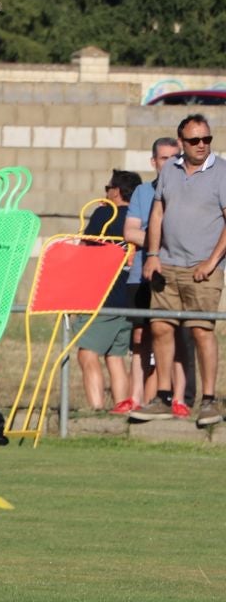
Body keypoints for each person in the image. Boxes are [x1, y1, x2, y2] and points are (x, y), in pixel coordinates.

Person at [141, 112, 226, 426]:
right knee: (161, 327)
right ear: (181, 142)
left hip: (202, 269)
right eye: (194, 140)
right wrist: (152, 254)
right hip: (167, 265)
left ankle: (209, 401)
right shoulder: (170, 172)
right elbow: (158, 212)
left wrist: (212, 261)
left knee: (202, 331)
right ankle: (164, 397)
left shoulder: (222, 173)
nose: (202, 145)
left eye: (207, 139)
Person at [75, 170, 143, 412]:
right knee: (114, 357)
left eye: (108, 188)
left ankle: (97, 410)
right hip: (129, 298)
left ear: (117, 191)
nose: (106, 192)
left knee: (87, 354)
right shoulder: (139, 218)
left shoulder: (105, 213)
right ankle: (121, 407)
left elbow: (84, 250)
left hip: (102, 296)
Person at [125, 138, 182, 411]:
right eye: (163, 158)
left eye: (175, 158)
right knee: (140, 336)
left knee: (176, 335)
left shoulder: (188, 190)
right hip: (142, 273)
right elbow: (129, 232)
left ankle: (177, 397)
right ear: (153, 162)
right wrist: (159, 241)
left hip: (175, 272)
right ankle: (136, 397)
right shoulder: (141, 192)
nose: (169, 163)